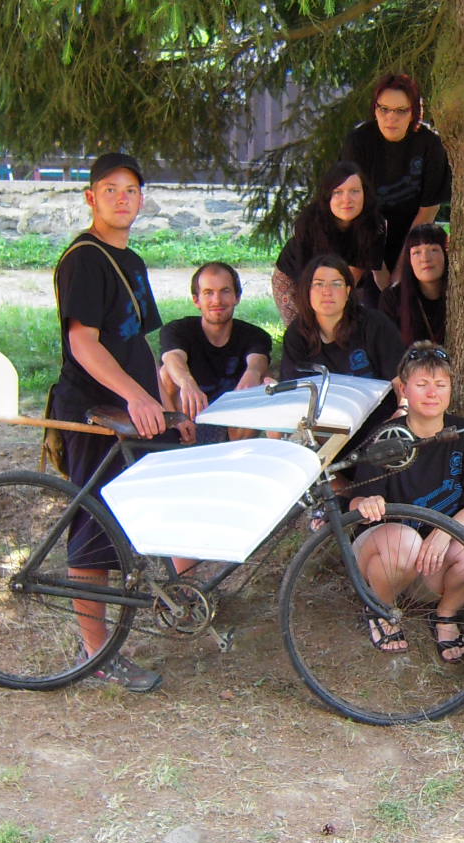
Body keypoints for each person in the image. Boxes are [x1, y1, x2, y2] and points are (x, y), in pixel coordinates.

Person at [48, 152, 168, 694]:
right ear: (91, 197)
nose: (123, 199)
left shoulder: (131, 260)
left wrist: (162, 402)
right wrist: (136, 397)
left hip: (129, 409)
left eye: (132, 190)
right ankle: (95, 652)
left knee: (127, 516)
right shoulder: (85, 260)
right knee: (93, 527)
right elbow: (83, 343)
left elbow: (138, 340)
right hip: (95, 410)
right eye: (111, 189)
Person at [346, 343, 464, 660]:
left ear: (451, 389)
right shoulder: (387, 436)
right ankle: (380, 607)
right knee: (406, 541)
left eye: (440, 384)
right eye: (422, 384)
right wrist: (368, 502)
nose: (432, 393)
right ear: (404, 389)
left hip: (434, 562)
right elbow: (355, 501)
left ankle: (446, 615)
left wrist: (444, 532)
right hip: (388, 555)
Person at [337, 72, 452, 282]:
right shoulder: (359, 142)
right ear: (375, 109)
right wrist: (378, 268)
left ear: (414, 113)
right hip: (364, 234)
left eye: (401, 110)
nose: (391, 117)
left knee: (407, 292)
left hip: (412, 236)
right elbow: (352, 208)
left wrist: (400, 271)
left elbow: (428, 210)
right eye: (384, 109)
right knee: (356, 285)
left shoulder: (430, 144)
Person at [159, 261, 273, 440]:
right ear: (196, 300)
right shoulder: (178, 330)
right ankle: (174, 435)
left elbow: (258, 360)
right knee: (167, 372)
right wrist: (187, 382)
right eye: (208, 293)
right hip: (187, 416)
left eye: (225, 291)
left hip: (232, 422)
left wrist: (253, 372)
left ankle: (237, 447)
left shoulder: (254, 335)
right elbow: (172, 357)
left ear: (237, 297)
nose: (217, 301)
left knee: (264, 379)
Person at [272, 161, 386, 324]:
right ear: (327, 196)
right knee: (305, 327)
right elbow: (308, 277)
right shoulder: (310, 223)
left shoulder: (374, 226)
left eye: (354, 191)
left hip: (343, 281)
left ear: (365, 194)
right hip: (296, 276)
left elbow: (352, 277)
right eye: (338, 192)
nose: (347, 200)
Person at [278, 254, 408, 382]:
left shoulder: (375, 324)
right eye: (319, 284)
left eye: (336, 284)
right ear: (308, 292)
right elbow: (295, 388)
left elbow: (400, 382)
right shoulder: (297, 334)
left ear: (347, 291)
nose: (327, 292)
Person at [378, 223, 449, 344]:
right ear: (409, 260)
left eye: (433, 250)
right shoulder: (392, 298)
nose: (425, 258)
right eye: (416, 252)